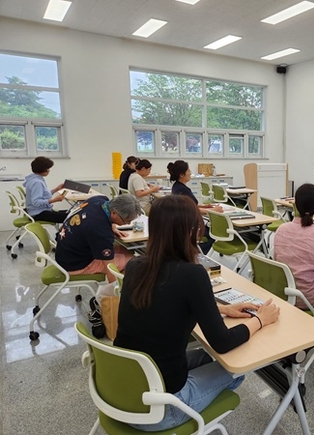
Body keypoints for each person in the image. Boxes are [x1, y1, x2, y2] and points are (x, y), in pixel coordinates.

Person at [114, 195, 280, 432]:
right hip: (160, 411)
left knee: (205, 357)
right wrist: (260, 320)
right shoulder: (192, 274)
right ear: (191, 231)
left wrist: (221, 309)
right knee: (235, 368)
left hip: (121, 393)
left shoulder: (135, 266)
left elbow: (165, 302)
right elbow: (222, 343)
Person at [273, 183, 314, 309]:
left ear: (295, 205)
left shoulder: (281, 229)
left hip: (284, 293)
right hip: (310, 299)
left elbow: (276, 259)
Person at [56, 194, 141, 283]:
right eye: (127, 221)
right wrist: (114, 287)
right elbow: (109, 267)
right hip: (74, 265)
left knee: (125, 251)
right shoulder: (100, 231)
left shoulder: (99, 200)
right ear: (114, 213)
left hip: (65, 254)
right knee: (133, 263)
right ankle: (121, 290)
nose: (128, 224)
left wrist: (112, 227)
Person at [166, 160, 223, 254]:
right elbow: (191, 209)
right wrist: (214, 210)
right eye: (188, 170)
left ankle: (193, 251)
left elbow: (189, 204)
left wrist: (204, 206)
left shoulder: (178, 186)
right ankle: (194, 252)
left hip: (186, 223)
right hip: (190, 226)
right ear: (181, 174)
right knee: (214, 232)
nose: (190, 173)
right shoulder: (182, 189)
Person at [23, 156, 68, 224]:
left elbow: (43, 195)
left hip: (40, 211)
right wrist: (54, 200)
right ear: (42, 169)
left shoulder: (34, 179)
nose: (49, 170)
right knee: (72, 217)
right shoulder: (37, 182)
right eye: (48, 168)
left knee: (71, 213)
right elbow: (36, 202)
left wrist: (56, 189)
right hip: (38, 213)